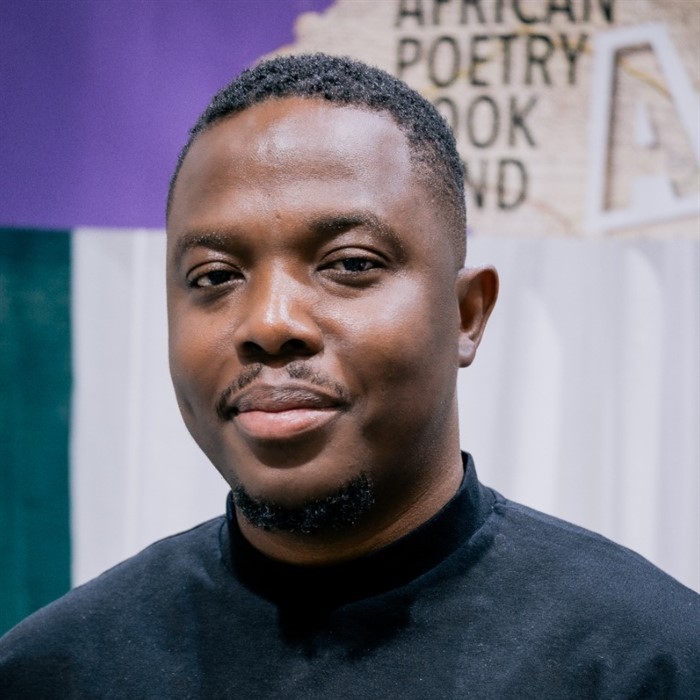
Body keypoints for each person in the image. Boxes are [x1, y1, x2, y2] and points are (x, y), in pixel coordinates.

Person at [0, 53, 698, 699]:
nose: (269, 322)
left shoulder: (651, 664)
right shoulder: (54, 673)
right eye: (214, 276)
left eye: (351, 264)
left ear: (465, 315)